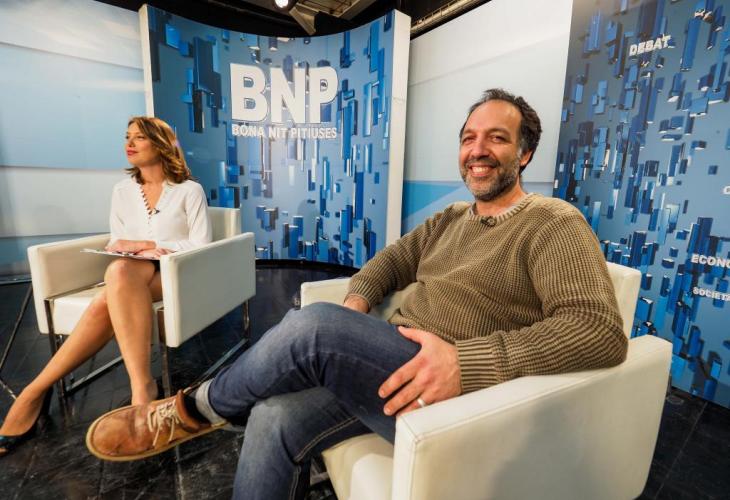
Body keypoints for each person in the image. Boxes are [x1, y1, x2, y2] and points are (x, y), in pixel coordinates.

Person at [85, 89, 628, 499]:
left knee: (313, 325)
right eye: (468, 138)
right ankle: (230, 401)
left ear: (525, 154)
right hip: (388, 367)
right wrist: (357, 306)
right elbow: (390, 262)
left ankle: (191, 409)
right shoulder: (451, 219)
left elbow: (598, 330)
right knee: (273, 416)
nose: (477, 151)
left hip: (457, 392)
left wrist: (466, 362)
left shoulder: (552, 222)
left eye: (497, 139)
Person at [0, 116, 211, 456]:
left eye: (139, 138)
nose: (129, 144)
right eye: (127, 137)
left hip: (174, 271)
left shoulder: (189, 190)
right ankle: (141, 388)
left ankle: (33, 392)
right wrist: (131, 246)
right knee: (119, 272)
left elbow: (201, 244)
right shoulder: (121, 191)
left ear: (160, 143)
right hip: (132, 271)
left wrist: (154, 246)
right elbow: (117, 238)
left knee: (111, 288)